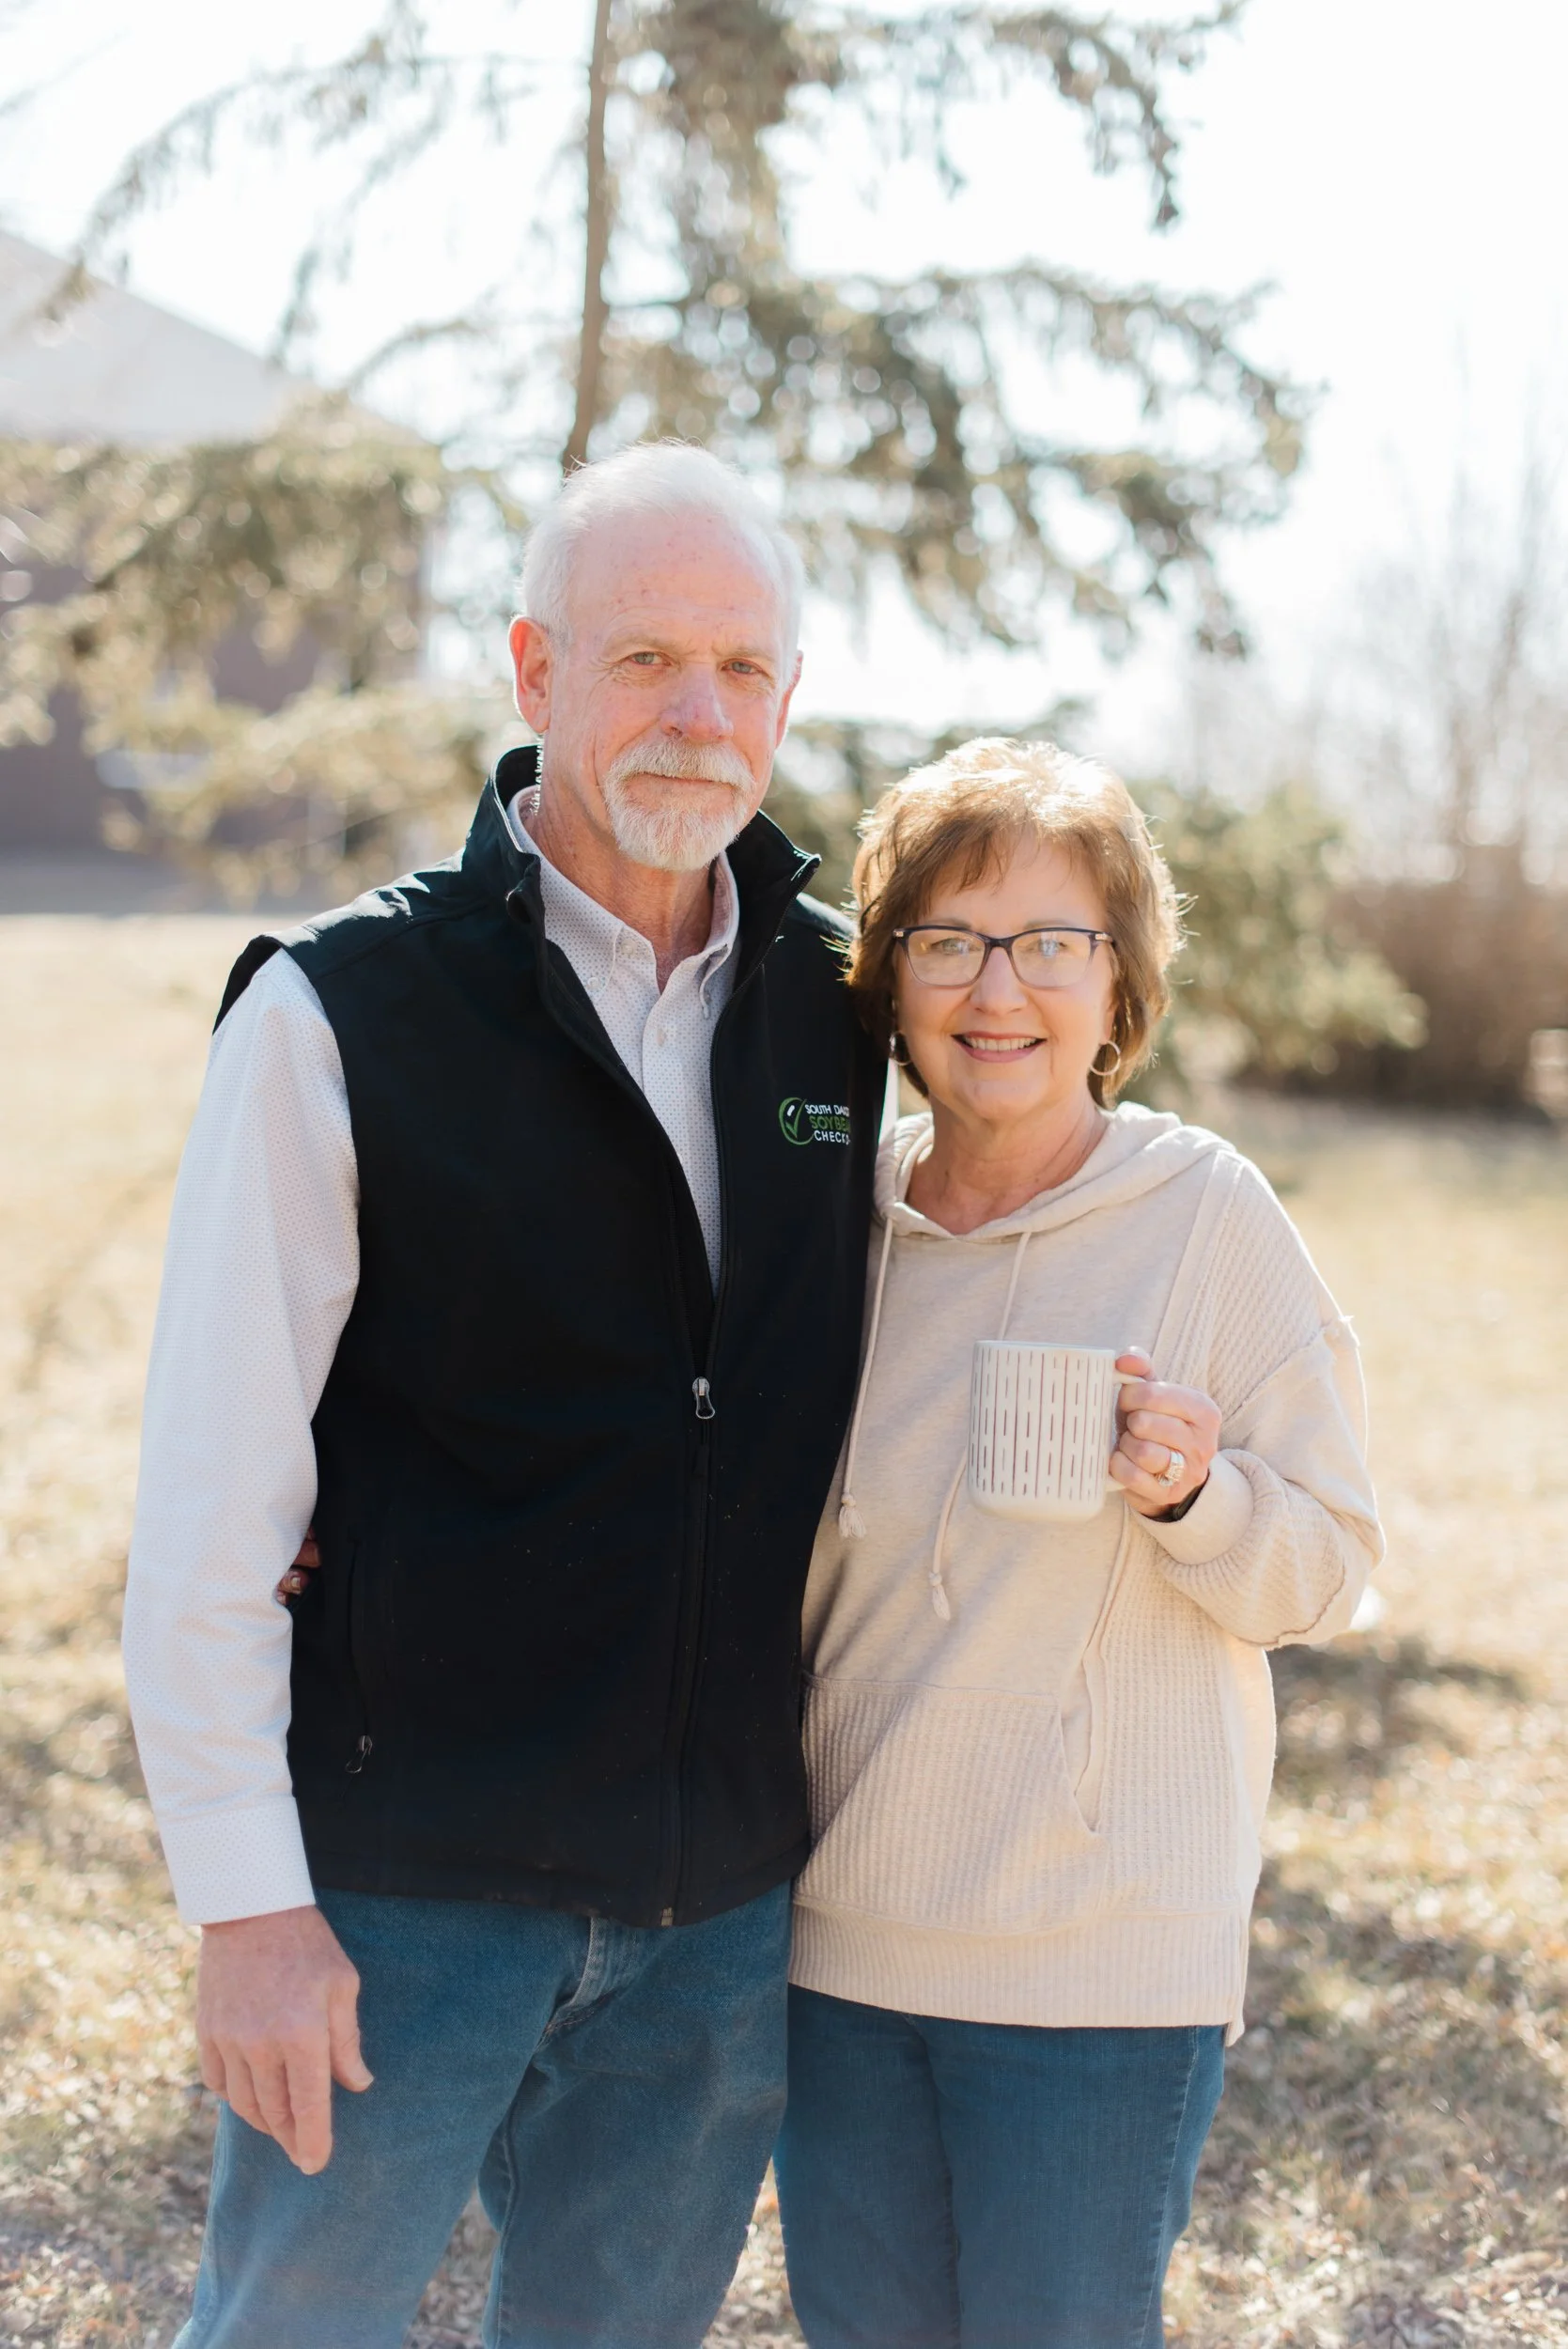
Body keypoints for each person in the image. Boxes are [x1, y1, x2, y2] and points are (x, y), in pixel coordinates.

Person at [121, 443, 884, 2348]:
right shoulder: (337, 1012)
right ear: (534, 670)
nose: (698, 713)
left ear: (786, 701)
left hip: (716, 1911)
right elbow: (215, 1491)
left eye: (740, 667)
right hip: (399, 1892)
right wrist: (247, 1905)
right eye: (644, 658)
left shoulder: (841, 1014)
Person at [773, 737, 1382, 2348]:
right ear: (890, 982)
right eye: (951, 941)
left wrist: (1199, 1499)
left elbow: (1328, 1564)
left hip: (1100, 1973)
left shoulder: (1208, 1215)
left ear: (1119, 989)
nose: (1000, 990)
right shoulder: (835, 1226)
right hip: (841, 1939)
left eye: (1055, 943)